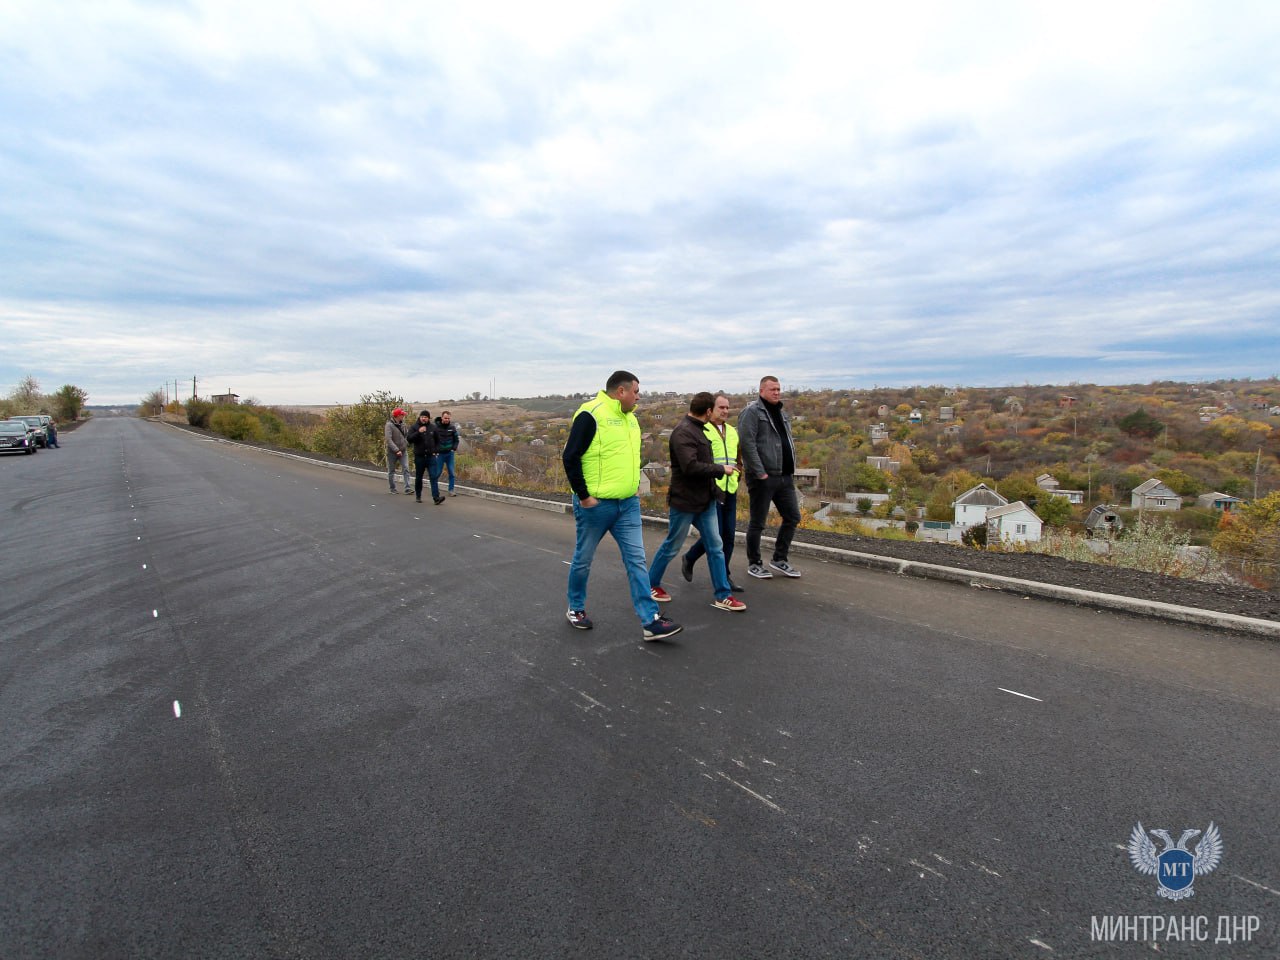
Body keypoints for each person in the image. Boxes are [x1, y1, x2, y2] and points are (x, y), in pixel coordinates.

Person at [562, 371, 682, 640]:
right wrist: (584, 496)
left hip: (627, 504)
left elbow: (629, 458)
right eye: (636, 391)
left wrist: (636, 485)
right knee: (583, 559)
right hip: (596, 505)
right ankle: (576, 608)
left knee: (637, 560)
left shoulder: (631, 419)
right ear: (621, 391)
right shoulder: (590, 414)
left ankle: (650, 620)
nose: (639, 396)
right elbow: (570, 456)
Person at [648, 392, 747, 613]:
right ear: (708, 411)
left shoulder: (700, 429)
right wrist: (722, 469)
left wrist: (715, 492)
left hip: (706, 501)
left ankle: (723, 595)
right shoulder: (683, 432)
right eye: (716, 408)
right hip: (684, 502)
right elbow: (690, 467)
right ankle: (651, 584)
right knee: (672, 544)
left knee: (715, 545)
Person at [738, 375, 802, 579]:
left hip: (784, 476)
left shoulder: (781, 413)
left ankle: (779, 559)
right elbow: (747, 444)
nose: (776, 392)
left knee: (792, 517)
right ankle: (754, 563)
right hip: (763, 477)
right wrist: (760, 472)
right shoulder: (752, 412)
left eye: (778, 389)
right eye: (772, 389)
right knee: (758, 522)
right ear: (761, 391)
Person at [682, 392, 743, 591]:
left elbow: (738, 459)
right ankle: (691, 558)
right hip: (711, 489)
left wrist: (738, 474)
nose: (725, 411)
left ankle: (725, 575)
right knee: (715, 535)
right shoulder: (703, 430)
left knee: (729, 536)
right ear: (710, 410)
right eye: (721, 407)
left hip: (730, 488)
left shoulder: (732, 431)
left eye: (727, 407)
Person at [405, 410, 436, 504]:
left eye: (426, 417)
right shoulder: (414, 427)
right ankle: (418, 496)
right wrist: (418, 432)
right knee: (419, 477)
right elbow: (409, 439)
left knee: (433, 477)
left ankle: (436, 497)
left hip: (431, 456)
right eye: (422, 416)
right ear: (420, 417)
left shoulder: (433, 427)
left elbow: (438, 440)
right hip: (419, 456)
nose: (424, 418)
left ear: (428, 418)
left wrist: (437, 451)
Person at [431, 411, 462, 498]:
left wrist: (453, 448)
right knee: (437, 473)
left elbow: (456, 439)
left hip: (449, 454)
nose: (447, 420)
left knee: (451, 473)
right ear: (442, 418)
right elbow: (432, 440)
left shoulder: (452, 428)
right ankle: (434, 489)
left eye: (448, 418)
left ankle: (451, 490)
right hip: (439, 454)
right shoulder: (436, 428)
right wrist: (434, 450)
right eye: (445, 418)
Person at [384, 408, 411, 494]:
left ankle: (407, 488)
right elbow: (388, 439)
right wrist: (396, 450)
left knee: (406, 468)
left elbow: (406, 435)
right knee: (391, 470)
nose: (403, 416)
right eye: (402, 415)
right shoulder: (389, 425)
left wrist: (405, 444)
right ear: (398, 415)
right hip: (392, 452)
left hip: (403, 450)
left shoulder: (403, 424)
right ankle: (392, 488)